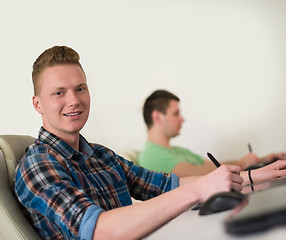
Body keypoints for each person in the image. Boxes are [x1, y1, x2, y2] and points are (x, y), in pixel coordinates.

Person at [14, 46, 246, 240]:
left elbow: (165, 185)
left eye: (80, 88)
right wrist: (198, 190)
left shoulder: (101, 156)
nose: (74, 100)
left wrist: (252, 176)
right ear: (37, 104)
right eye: (59, 93)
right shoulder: (36, 164)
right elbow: (99, 230)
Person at [139, 89, 286, 185]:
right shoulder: (154, 156)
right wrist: (245, 163)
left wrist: (262, 159)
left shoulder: (175, 150)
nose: (182, 119)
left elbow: (214, 166)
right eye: (176, 114)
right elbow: (204, 175)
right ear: (157, 118)